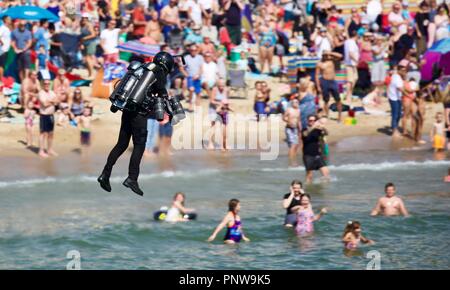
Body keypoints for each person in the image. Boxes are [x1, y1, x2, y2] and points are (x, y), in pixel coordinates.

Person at [97, 52, 176, 196]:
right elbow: (162, 92)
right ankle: (132, 178)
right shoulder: (158, 72)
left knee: (121, 144)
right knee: (139, 146)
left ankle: (105, 174)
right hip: (139, 115)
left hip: (127, 110)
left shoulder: (143, 68)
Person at [315, 50, 343, 121]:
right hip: (324, 81)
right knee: (326, 100)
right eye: (325, 55)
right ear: (322, 55)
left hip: (332, 81)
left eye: (327, 55)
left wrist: (330, 53)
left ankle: (340, 116)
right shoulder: (320, 64)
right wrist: (318, 86)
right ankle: (327, 115)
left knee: (338, 99)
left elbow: (340, 56)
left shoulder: (332, 61)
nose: (327, 56)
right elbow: (316, 75)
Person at [302, 115, 330, 183]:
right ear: (308, 121)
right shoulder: (305, 129)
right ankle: (308, 187)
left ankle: (323, 188)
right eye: (310, 120)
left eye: (314, 120)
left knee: (326, 173)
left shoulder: (318, 130)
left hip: (318, 154)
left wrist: (323, 128)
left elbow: (326, 133)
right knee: (309, 175)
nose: (312, 122)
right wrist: (314, 127)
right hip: (308, 154)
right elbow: (305, 135)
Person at [38, 79, 58, 158]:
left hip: (51, 115)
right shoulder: (41, 93)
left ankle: (49, 149)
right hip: (44, 115)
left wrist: (50, 101)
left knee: (51, 133)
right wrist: (52, 101)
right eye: (45, 84)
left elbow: (57, 101)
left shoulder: (51, 92)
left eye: (48, 84)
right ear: (42, 84)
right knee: (43, 134)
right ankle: (41, 150)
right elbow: (44, 104)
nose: (47, 85)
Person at [387, 66, 406, 137]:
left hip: (398, 97)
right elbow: (400, 89)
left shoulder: (399, 77)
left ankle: (395, 128)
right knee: (395, 114)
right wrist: (409, 95)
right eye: (403, 70)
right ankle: (394, 130)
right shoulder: (396, 77)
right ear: (399, 70)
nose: (404, 72)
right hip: (393, 98)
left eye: (405, 70)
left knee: (398, 114)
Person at [283, 98, 302, 167]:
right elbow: (284, 117)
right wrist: (288, 122)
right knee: (293, 145)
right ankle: (291, 162)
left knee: (296, 145)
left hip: (295, 129)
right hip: (289, 128)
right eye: (294, 102)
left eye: (297, 102)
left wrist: (300, 129)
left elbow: (299, 120)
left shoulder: (299, 110)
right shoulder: (289, 110)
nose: (295, 103)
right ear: (292, 103)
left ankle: (294, 160)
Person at [344, 30, 360, 104]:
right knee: (350, 81)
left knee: (354, 79)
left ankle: (349, 94)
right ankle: (348, 96)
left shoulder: (348, 41)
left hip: (352, 64)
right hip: (351, 64)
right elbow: (350, 53)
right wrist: (356, 60)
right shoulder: (351, 42)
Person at [0, 15, 11, 83]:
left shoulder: (7, 28)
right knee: (1, 65)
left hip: (5, 50)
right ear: (6, 20)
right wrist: (2, 43)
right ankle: (1, 80)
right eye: (9, 19)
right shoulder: (2, 28)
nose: (10, 20)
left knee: (2, 65)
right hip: (2, 50)